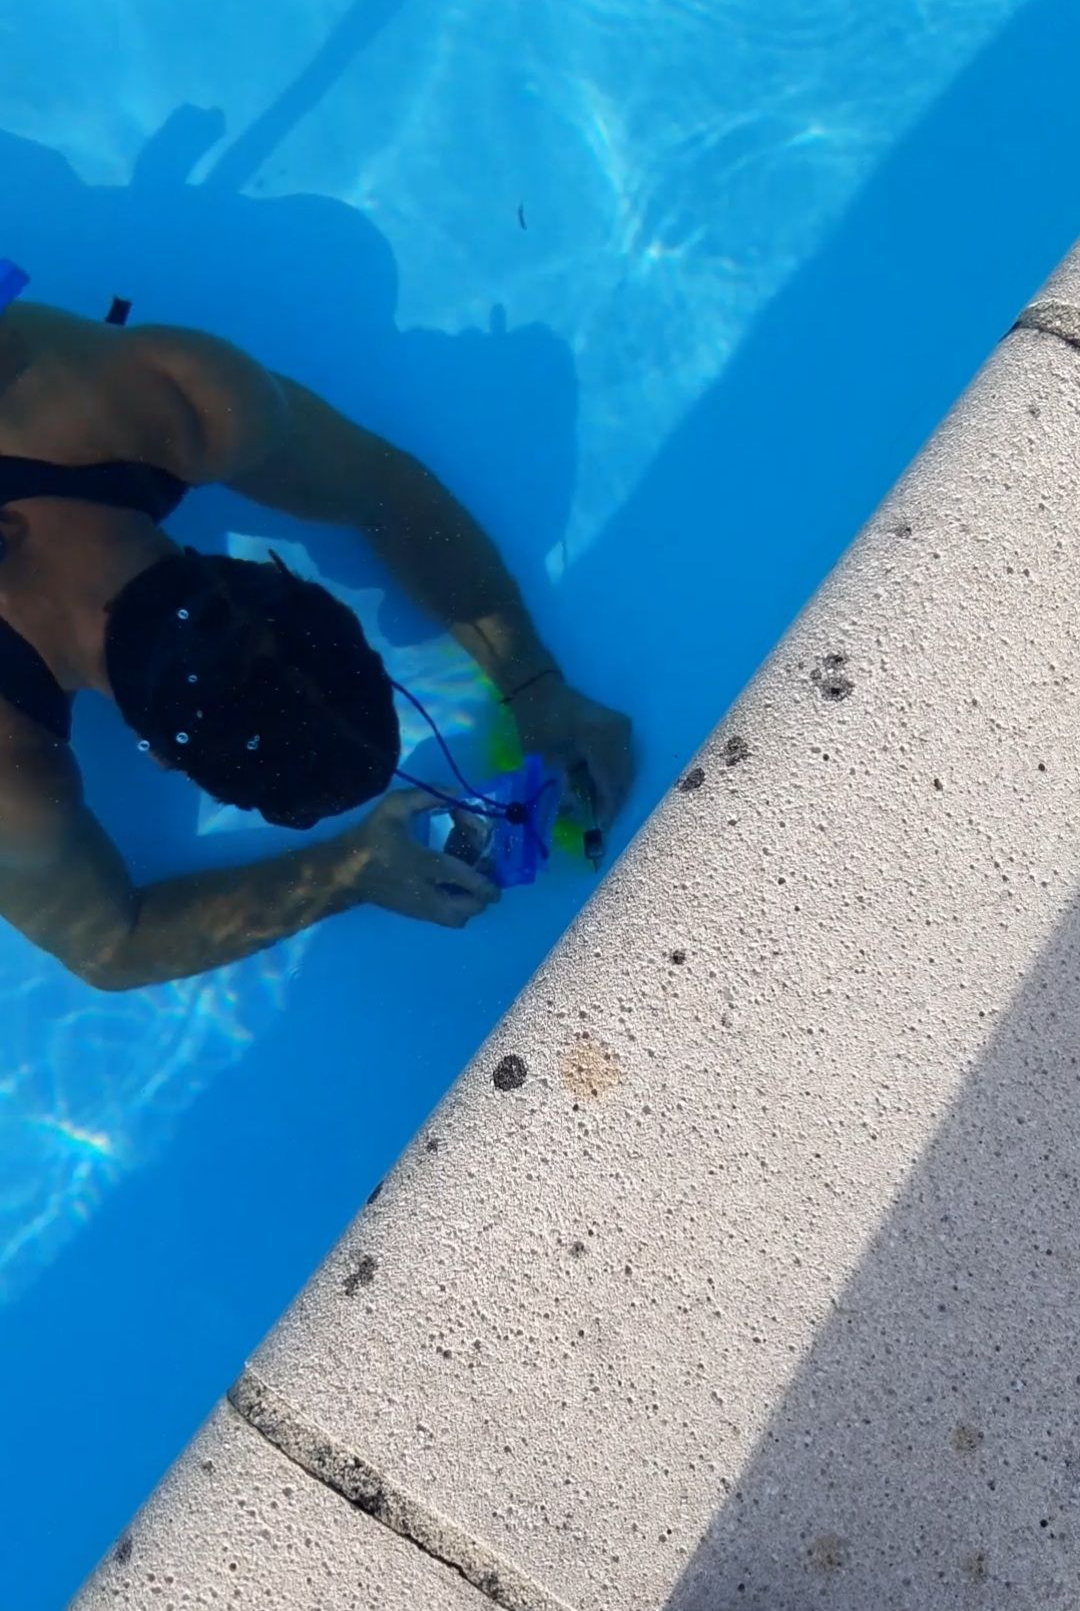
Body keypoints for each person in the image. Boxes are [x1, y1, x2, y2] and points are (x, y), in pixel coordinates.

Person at [0, 265, 632, 991]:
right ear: (158, 757)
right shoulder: (13, 784)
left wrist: (530, 680)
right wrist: (346, 872)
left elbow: (384, 491)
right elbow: (112, 943)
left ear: (276, 576)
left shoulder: (177, 399)